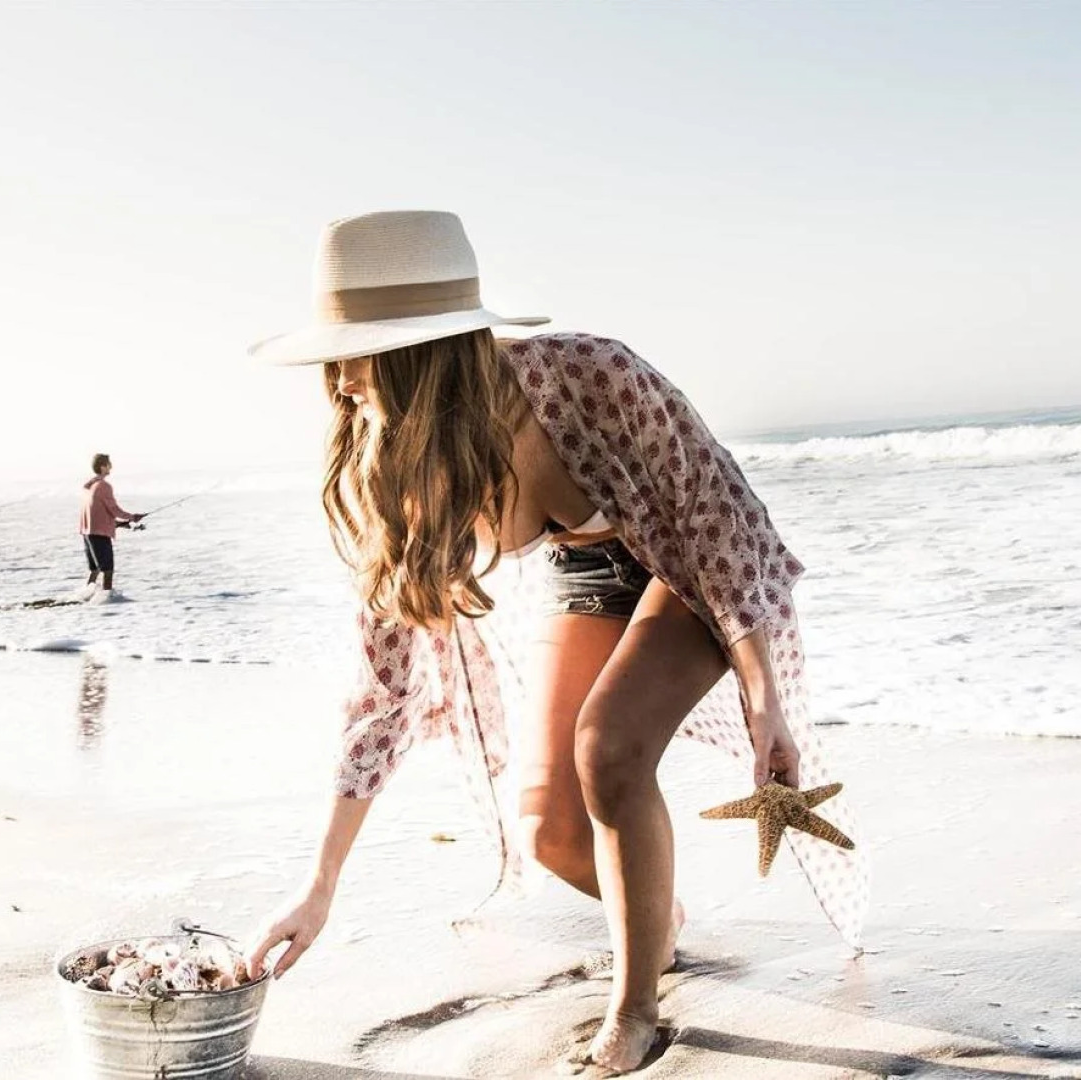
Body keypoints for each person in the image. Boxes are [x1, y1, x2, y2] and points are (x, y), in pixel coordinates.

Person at [243, 211, 868, 1072]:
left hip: (686, 568)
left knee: (606, 749)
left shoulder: (592, 373)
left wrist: (764, 699)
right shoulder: (393, 464)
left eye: (353, 356)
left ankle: (636, 1007)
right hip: (586, 578)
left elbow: (717, 520)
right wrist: (319, 886)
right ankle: (657, 921)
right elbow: (381, 690)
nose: (339, 382)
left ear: (416, 355)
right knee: (546, 832)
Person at [80, 453, 143, 598]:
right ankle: (106, 601)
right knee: (108, 570)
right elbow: (114, 509)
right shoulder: (103, 486)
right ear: (103, 467)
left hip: (87, 532)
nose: (111, 467)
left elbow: (96, 511)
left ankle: (86, 596)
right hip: (98, 534)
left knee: (95, 569)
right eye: (109, 464)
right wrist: (133, 517)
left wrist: (117, 524)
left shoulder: (89, 485)